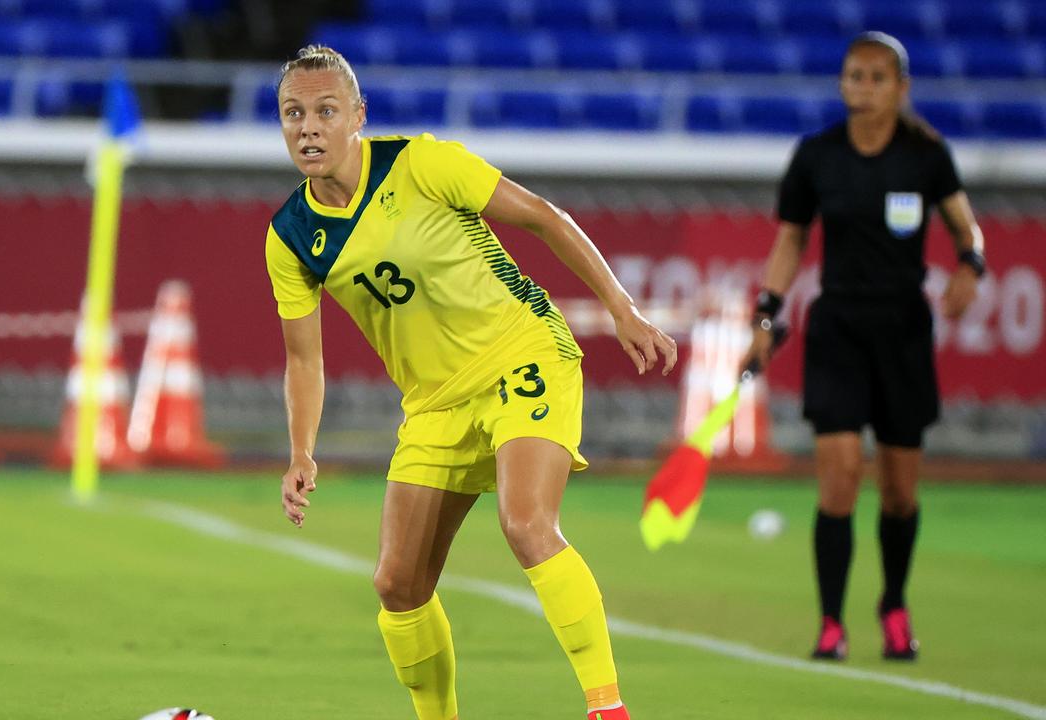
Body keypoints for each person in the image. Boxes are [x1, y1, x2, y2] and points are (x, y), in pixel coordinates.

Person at [264, 46, 677, 720]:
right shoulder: (290, 236)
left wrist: (621, 309)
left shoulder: (421, 163)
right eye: (293, 114)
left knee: (526, 522)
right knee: (398, 585)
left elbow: (545, 216)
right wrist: (302, 452)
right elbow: (304, 361)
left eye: (325, 111)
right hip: (434, 403)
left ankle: (608, 709)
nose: (308, 127)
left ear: (358, 116)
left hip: (523, 353)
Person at [741, 32, 986, 662]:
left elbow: (966, 228)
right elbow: (790, 239)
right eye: (854, 75)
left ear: (901, 88)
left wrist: (970, 267)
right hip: (838, 330)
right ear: (842, 83)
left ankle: (894, 605)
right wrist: (766, 315)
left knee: (901, 491)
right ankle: (830, 622)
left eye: (878, 78)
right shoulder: (817, 156)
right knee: (841, 476)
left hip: (903, 333)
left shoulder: (927, 157)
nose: (864, 87)